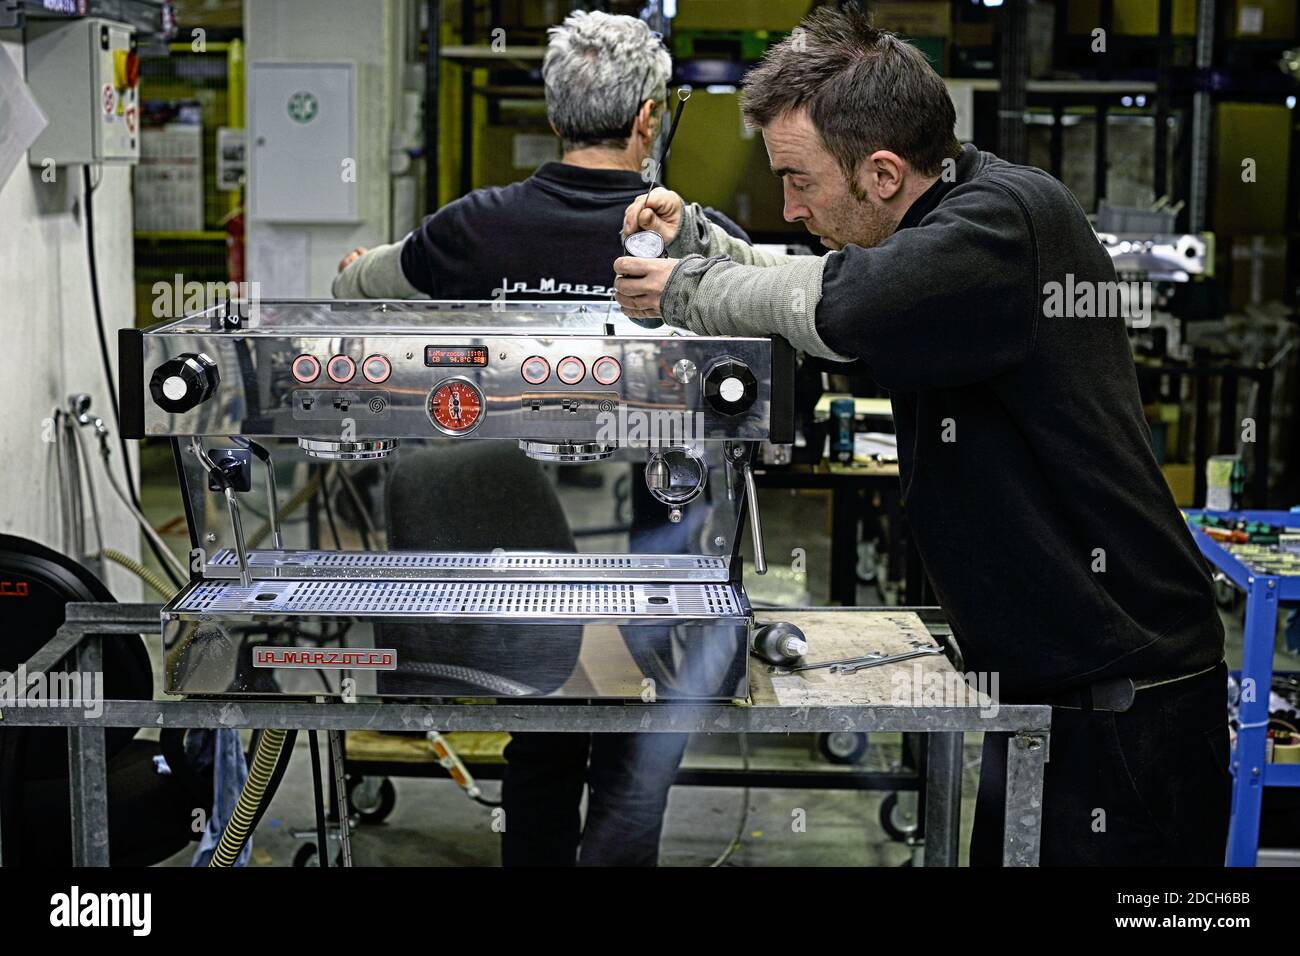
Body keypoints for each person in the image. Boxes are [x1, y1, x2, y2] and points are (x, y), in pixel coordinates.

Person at [612, 4, 1230, 866]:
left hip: (1127, 718)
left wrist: (686, 288)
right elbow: (834, 275)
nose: (790, 207)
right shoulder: (951, 221)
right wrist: (703, 244)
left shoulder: (1005, 222)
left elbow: (843, 304)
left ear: (884, 172)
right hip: (1050, 697)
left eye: (800, 180)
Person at [333, 10, 744, 866]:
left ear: (554, 117)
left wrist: (364, 265)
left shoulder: (472, 227)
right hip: (654, 559)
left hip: (517, 563)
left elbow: (358, 291)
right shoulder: (685, 240)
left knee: (544, 734)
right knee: (639, 748)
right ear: (648, 119)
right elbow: (768, 309)